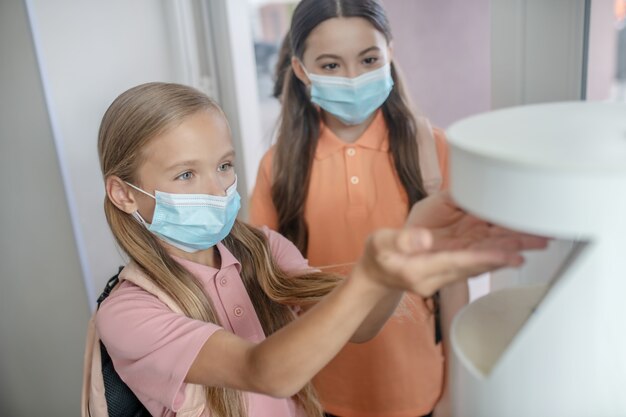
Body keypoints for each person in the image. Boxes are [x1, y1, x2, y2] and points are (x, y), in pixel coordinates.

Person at [93, 81, 545, 417]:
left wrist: (393, 269)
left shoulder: (263, 250)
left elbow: (361, 325)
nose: (217, 190)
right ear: (125, 194)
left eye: (224, 165)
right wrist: (370, 273)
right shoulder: (129, 313)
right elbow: (265, 372)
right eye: (186, 175)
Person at [249, 1, 469, 416]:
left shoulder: (432, 149)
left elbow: (453, 282)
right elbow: (265, 291)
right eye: (330, 65)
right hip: (316, 393)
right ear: (300, 70)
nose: (353, 78)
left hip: (416, 387)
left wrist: (453, 393)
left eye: (368, 59)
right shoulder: (277, 167)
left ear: (389, 51)